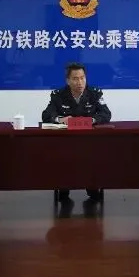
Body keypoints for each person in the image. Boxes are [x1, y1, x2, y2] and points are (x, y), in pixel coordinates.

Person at [41, 63, 111, 203]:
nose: (80, 82)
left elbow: (106, 114)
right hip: (66, 143)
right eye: (75, 78)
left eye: (82, 78)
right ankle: (64, 187)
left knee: (93, 156)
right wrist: (60, 119)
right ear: (68, 81)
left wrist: (92, 120)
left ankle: (92, 186)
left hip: (89, 142)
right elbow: (46, 115)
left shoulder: (95, 94)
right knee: (63, 158)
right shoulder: (58, 95)